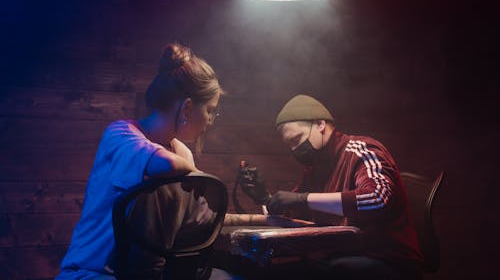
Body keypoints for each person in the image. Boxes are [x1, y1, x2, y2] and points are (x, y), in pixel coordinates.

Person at [56, 43, 230, 279]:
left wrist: (263, 220)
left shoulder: (181, 153)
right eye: (210, 110)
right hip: (93, 273)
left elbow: (203, 219)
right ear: (187, 107)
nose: (210, 120)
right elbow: (165, 165)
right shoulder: (120, 135)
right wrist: (195, 173)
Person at [241, 94, 423, 280]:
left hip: (388, 261)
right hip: (343, 257)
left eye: (297, 139)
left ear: (320, 124)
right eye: (290, 145)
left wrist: (303, 199)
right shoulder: (314, 169)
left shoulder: (361, 150)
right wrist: (265, 199)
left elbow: (377, 198)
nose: (295, 150)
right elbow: (293, 216)